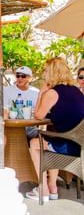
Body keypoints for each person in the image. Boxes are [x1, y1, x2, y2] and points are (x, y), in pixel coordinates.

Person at [26, 57, 84, 202]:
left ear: (51, 72)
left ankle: (43, 189)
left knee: (35, 143)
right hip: (80, 144)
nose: (44, 73)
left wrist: (41, 93)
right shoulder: (77, 92)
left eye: (45, 70)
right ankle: (53, 188)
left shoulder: (52, 93)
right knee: (48, 141)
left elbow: (38, 115)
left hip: (69, 146)